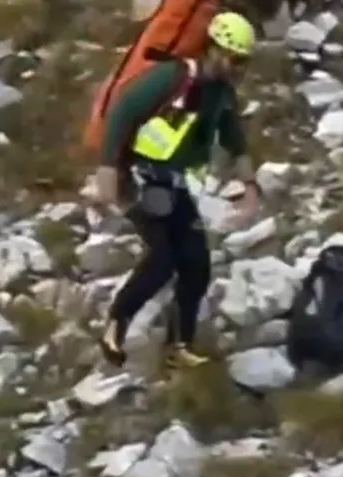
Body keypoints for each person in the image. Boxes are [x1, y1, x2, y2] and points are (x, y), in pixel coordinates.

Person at [94, 11, 260, 368]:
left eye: (243, 62)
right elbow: (123, 112)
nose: (238, 68)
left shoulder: (221, 95)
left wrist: (250, 186)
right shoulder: (173, 77)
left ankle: (178, 346)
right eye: (234, 59)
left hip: (172, 182)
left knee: (197, 263)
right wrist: (107, 169)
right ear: (214, 50)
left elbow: (235, 141)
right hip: (138, 176)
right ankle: (116, 323)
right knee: (162, 257)